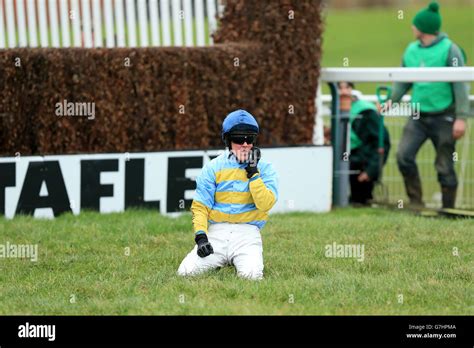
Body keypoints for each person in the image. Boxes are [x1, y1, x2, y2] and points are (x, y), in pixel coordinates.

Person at [177, 109, 279, 280]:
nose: (245, 144)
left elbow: (266, 204)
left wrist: (253, 174)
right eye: (239, 139)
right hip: (216, 232)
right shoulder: (213, 167)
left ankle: (233, 259)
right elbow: (201, 207)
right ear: (228, 141)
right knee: (185, 273)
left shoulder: (266, 169)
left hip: (248, 233)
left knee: (252, 277)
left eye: (250, 139)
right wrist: (201, 237)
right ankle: (225, 259)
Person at [386, 1, 470, 209]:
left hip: (444, 116)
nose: (412, 28)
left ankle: (448, 209)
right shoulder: (411, 50)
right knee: (404, 156)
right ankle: (416, 203)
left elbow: (461, 85)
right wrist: (390, 102)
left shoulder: (451, 50)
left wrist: (461, 117)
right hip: (418, 116)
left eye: (415, 25)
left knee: (444, 165)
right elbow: (403, 81)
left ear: (423, 28)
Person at [339, 82, 391, 205]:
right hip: (350, 161)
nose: (343, 92)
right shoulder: (338, 110)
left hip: (362, 165)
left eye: (347, 87)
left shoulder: (365, 112)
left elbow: (381, 142)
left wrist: (371, 170)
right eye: (340, 88)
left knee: (360, 201)